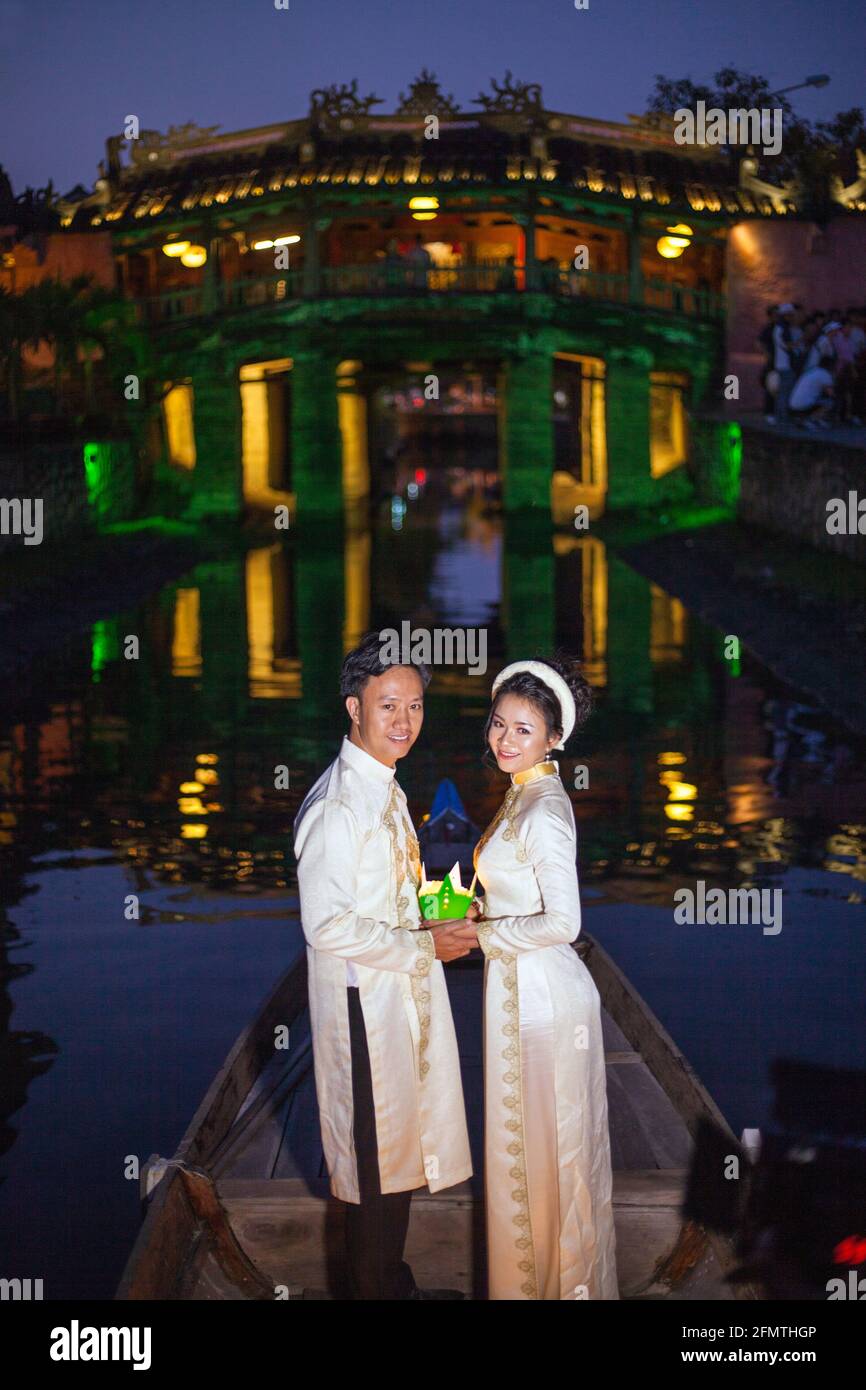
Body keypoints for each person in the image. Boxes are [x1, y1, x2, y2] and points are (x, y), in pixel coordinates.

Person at [293, 632, 474, 1299]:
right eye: (388, 705)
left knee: (396, 1155)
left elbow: (394, 886)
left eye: (416, 706)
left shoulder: (384, 786)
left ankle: (392, 1284)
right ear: (353, 707)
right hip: (362, 1007)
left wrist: (450, 905)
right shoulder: (339, 807)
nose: (404, 721)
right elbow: (327, 925)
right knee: (372, 1170)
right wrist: (428, 947)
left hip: (393, 997)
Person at [459, 655, 619, 1301]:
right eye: (499, 724)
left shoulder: (545, 808)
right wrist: (480, 908)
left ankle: (552, 1286)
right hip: (520, 989)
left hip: (543, 1001)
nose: (504, 739)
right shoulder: (525, 789)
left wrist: (479, 935)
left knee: (543, 1156)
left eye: (523, 730)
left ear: (554, 738)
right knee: (533, 1155)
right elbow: (523, 897)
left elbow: (564, 921)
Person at [788, 354, 835, 428]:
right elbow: (831, 393)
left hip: (792, 405)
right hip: (804, 407)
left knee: (815, 398)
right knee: (829, 402)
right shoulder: (825, 374)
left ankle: (810, 419)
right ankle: (810, 420)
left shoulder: (811, 371)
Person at [771, 303, 797, 422]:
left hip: (782, 364)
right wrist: (800, 341)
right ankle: (782, 417)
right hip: (785, 364)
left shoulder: (780, 328)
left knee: (783, 391)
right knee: (784, 392)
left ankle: (780, 416)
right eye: (790, 315)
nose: (792, 317)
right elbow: (787, 346)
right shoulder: (782, 329)